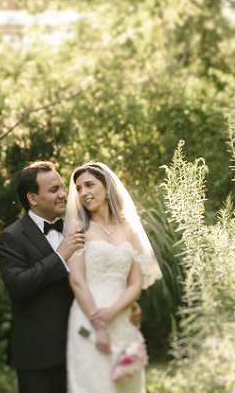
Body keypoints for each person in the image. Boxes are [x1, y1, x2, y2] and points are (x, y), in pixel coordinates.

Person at [64, 162, 162, 393]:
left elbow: (135, 283)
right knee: (93, 385)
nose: (83, 193)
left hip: (123, 318)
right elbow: (77, 281)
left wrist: (113, 310)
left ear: (107, 187)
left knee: (127, 386)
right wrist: (99, 326)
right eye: (78, 188)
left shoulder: (129, 229)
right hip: (89, 318)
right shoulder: (78, 227)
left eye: (89, 185)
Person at [0, 161, 86, 393]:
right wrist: (59, 256)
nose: (64, 195)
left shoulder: (73, 230)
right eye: (54, 190)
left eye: (62, 188)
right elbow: (18, 285)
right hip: (37, 356)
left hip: (81, 347)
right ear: (33, 198)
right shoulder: (11, 236)